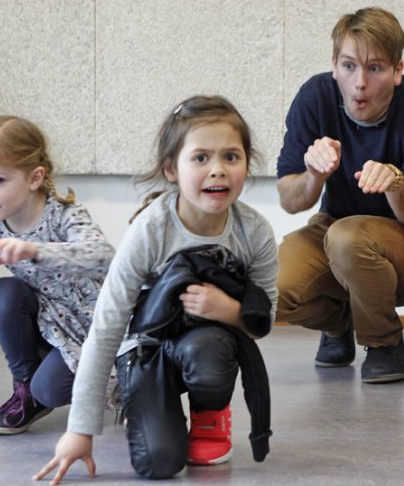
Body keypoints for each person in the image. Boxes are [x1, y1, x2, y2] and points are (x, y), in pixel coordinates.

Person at [34, 95, 278, 483]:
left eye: (231, 157)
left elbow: (264, 319)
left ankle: (209, 411)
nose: (218, 170)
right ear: (171, 169)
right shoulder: (151, 229)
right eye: (200, 158)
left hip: (206, 346)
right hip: (146, 349)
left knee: (209, 352)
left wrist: (228, 310)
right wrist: (80, 429)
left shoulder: (256, 232)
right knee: (160, 464)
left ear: (247, 164)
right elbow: (107, 324)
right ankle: (145, 403)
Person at [275, 7, 404, 383]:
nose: (359, 83)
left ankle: (384, 342)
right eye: (349, 66)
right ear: (334, 65)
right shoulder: (314, 97)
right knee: (270, 287)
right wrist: (313, 175)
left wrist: (395, 185)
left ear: (398, 71)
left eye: (375, 69)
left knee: (347, 237)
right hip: (333, 226)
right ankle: (342, 321)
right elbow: (290, 201)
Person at [0, 116, 114, 434]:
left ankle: (134, 383)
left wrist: (34, 250)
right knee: (4, 291)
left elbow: (102, 257)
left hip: (86, 327)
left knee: (50, 390)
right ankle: (25, 389)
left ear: (34, 178)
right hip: (45, 321)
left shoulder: (64, 216)